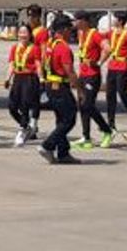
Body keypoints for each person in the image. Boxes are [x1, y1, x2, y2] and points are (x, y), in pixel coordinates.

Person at [39, 15, 81, 165]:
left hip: (51, 85)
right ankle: (47, 145)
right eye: (69, 29)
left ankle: (63, 153)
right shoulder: (63, 47)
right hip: (60, 88)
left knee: (61, 119)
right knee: (69, 119)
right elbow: (69, 71)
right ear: (63, 30)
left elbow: (43, 65)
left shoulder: (51, 44)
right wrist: (79, 90)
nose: (71, 32)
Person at [73, 12, 114, 149]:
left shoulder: (94, 34)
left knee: (88, 105)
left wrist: (99, 62)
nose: (75, 23)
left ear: (84, 21)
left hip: (92, 75)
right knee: (81, 105)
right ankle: (86, 137)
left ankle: (107, 130)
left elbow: (108, 49)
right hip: (83, 74)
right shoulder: (81, 34)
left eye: (77, 20)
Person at [5, 25, 41, 146]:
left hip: (30, 78)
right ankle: (27, 126)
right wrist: (7, 78)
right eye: (20, 32)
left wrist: (41, 79)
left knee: (24, 105)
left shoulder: (35, 48)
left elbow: (38, 64)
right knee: (12, 107)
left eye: (25, 32)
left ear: (30, 35)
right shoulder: (14, 48)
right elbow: (11, 64)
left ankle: (22, 131)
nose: (22, 35)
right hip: (18, 78)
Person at [104, 15, 127, 133]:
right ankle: (111, 123)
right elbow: (107, 49)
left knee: (123, 94)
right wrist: (100, 62)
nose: (113, 20)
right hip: (112, 66)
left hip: (122, 67)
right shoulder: (111, 33)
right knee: (110, 95)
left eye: (116, 19)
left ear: (120, 21)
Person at [25, 4, 48, 139]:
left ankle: (33, 125)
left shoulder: (42, 31)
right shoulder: (28, 30)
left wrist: (42, 70)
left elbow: (44, 51)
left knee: (34, 100)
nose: (30, 18)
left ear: (38, 17)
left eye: (33, 16)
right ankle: (29, 124)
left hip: (36, 69)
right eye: (29, 15)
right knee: (25, 99)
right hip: (26, 69)